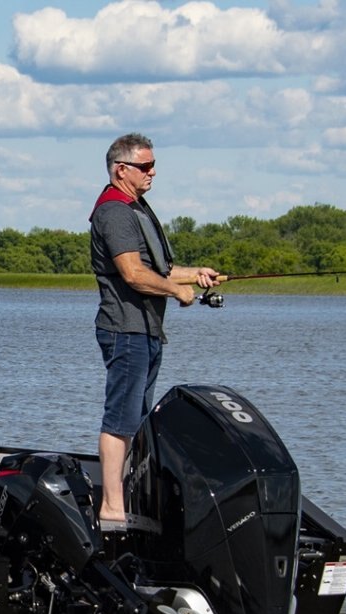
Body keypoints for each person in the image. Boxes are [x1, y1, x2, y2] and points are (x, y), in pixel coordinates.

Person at [90, 133, 219, 523]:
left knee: (139, 419)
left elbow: (158, 269)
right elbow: (133, 273)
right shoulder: (115, 212)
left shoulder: (137, 209)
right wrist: (176, 291)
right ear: (121, 170)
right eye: (145, 166)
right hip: (125, 330)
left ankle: (130, 499)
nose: (152, 172)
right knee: (121, 419)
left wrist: (194, 275)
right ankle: (112, 506)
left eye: (153, 165)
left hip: (145, 331)